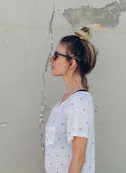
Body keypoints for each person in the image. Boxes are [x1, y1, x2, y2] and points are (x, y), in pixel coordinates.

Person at [45, 27, 98, 173]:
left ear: (72, 63)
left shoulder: (80, 100)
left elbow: (79, 156)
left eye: (56, 55)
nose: (51, 59)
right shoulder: (65, 101)